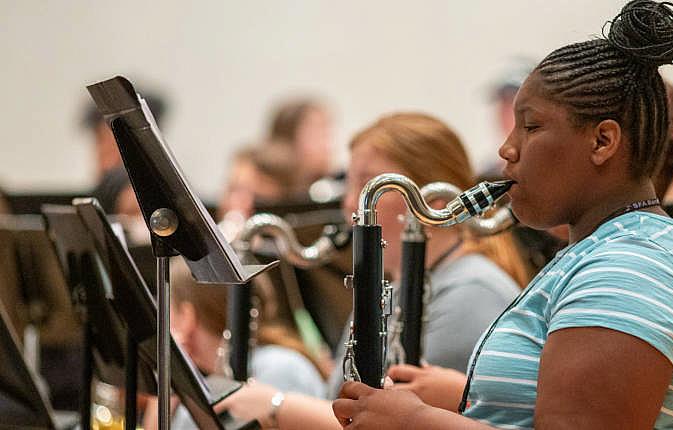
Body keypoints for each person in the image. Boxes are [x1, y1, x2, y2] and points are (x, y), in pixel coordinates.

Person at [333, 1, 673, 428]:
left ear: (602, 142)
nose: (507, 149)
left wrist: (413, 422)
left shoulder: (627, 267)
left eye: (531, 127)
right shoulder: (605, 251)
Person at [215, 112, 529, 428]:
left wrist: (275, 406)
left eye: (368, 186)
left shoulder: (472, 294)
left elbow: (382, 418)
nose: (351, 203)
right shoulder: (393, 285)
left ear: (431, 198)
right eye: (350, 184)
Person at [143, 259, 327, 429]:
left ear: (186, 316)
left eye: (167, 308)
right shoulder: (207, 383)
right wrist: (169, 384)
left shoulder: (276, 366)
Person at [268, 99, 335, 196]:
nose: (327, 145)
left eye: (326, 133)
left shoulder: (334, 187)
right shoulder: (263, 189)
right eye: (315, 133)